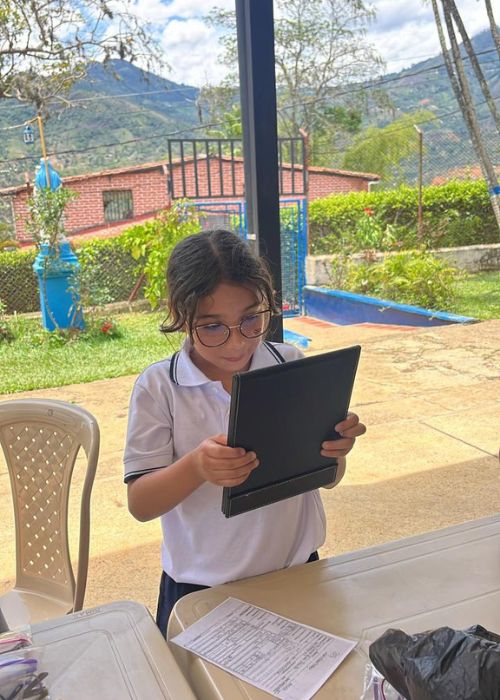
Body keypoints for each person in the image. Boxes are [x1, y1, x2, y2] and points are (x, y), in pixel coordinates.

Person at [124, 228, 366, 636]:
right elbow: (140, 503)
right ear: (181, 316)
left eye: (251, 319)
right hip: (200, 587)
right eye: (212, 327)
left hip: (297, 571)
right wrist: (197, 467)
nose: (237, 342)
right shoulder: (159, 388)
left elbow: (326, 479)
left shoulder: (289, 364)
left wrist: (336, 451)